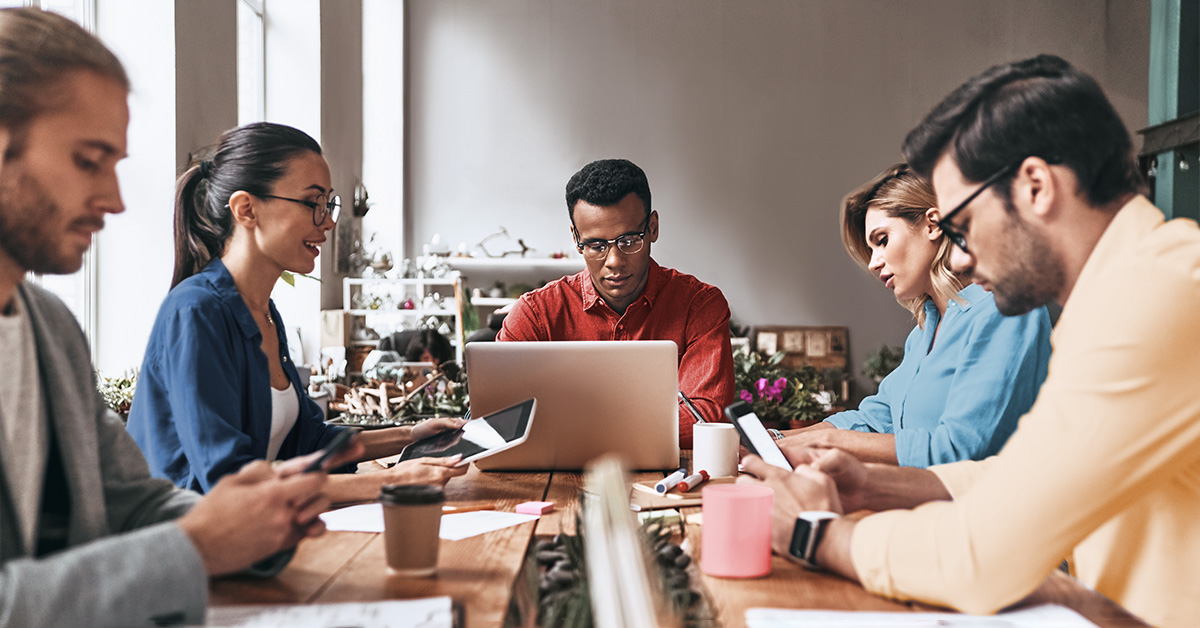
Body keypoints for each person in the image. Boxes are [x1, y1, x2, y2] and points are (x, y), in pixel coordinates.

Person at [742, 55, 1200, 628]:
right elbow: (1029, 473)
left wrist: (816, 537)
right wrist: (873, 484)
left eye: (961, 225)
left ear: (1035, 186)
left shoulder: (1155, 294)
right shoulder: (1123, 291)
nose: (956, 256)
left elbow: (981, 555)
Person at [0, 8, 348, 626]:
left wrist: (257, 528)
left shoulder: (47, 328)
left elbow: (132, 504)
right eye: (88, 160)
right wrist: (198, 546)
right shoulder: (197, 309)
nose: (114, 199)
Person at [126, 122, 466, 503]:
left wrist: (412, 434)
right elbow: (226, 480)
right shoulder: (195, 312)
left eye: (329, 203)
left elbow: (312, 439)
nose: (329, 221)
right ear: (246, 209)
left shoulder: (265, 313)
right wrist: (389, 482)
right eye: (313, 203)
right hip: (192, 550)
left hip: (256, 537)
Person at [777, 164, 1051, 467]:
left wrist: (827, 441)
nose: (873, 263)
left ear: (933, 225)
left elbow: (960, 449)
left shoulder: (1005, 309)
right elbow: (873, 421)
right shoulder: (922, 335)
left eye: (881, 241)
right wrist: (773, 439)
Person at [497, 159, 735, 448]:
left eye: (629, 240)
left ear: (653, 228)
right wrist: (642, 428)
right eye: (596, 246)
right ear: (576, 238)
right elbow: (499, 420)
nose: (614, 262)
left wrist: (571, 429)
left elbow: (705, 419)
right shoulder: (535, 315)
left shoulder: (700, 306)